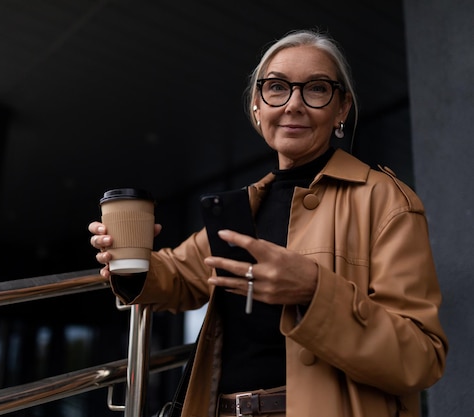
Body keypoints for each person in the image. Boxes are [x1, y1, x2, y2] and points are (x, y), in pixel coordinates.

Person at [88, 29, 447, 417]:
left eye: (316, 89)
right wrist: (128, 258)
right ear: (258, 107)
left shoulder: (386, 200)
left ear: (341, 108)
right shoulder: (245, 207)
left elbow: (421, 357)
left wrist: (313, 291)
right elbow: (177, 275)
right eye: (277, 88)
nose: (294, 104)